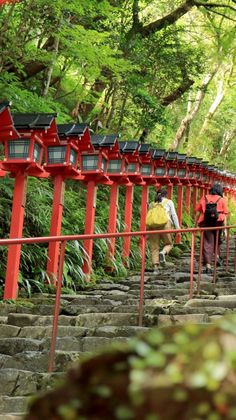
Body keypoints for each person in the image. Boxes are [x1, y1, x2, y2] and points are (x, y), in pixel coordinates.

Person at [196, 182, 228, 274]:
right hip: (218, 222)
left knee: (207, 243)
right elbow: (225, 214)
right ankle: (217, 257)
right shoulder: (222, 199)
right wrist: (225, 229)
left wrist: (195, 225)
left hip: (206, 223)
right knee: (217, 240)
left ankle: (208, 266)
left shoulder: (204, 197)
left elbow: (198, 212)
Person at [148, 188, 180, 274]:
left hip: (153, 226)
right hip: (165, 224)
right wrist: (178, 229)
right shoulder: (169, 202)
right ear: (165, 195)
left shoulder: (152, 204)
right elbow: (174, 215)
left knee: (154, 247)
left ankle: (155, 268)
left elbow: (149, 217)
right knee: (168, 243)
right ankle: (163, 252)